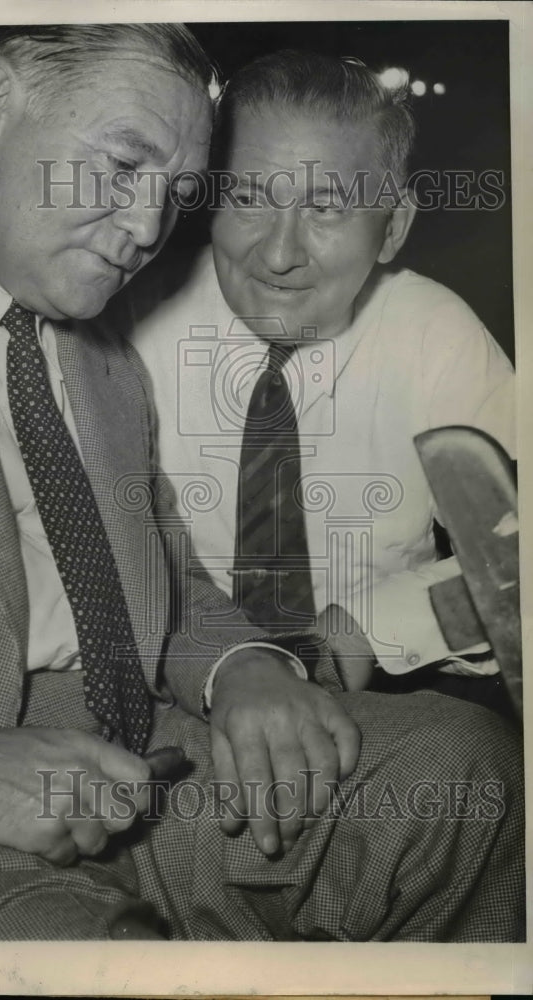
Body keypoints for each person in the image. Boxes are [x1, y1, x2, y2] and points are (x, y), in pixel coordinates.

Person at [0, 28, 523, 945]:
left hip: (139, 758)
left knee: (470, 777)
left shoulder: (95, 342)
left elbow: (156, 568)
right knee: (99, 955)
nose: (144, 229)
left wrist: (243, 666)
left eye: (174, 193)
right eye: (123, 166)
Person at [128, 49, 517, 703]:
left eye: (326, 209)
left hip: (385, 696)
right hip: (177, 689)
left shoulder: (434, 332)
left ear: (391, 228)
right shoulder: (127, 320)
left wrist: (357, 638)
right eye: (248, 198)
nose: (279, 254)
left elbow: (518, 555)